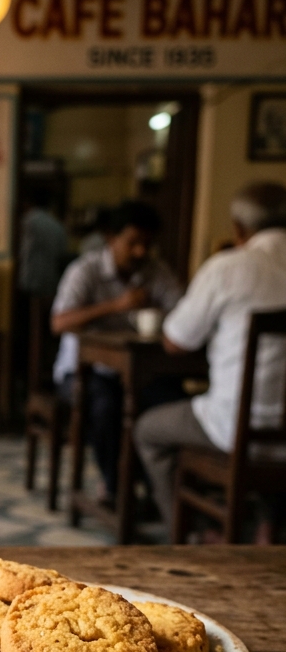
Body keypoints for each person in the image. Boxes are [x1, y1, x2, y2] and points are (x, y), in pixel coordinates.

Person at [134, 182, 286, 535]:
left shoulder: (229, 267)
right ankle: (267, 524)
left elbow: (175, 340)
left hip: (234, 429)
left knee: (147, 430)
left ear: (238, 228)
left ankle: (193, 533)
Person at [51, 200, 182, 505]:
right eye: (132, 243)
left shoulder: (155, 271)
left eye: (146, 245)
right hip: (81, 372)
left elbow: (183, 312)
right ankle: (115, 486)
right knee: (105, 405)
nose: (139, 252)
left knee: (169, 400)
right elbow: (59, 323)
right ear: (111, 238)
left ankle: (161, 490)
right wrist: (116, 306)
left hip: (137, 371)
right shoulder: (86, 270)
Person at [15, 185, 67, 395]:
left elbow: (21, 254)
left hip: (27, 289)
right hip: (50, 290)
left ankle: (26, 384)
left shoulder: (27, 223)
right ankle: (41, 383)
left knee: (25, 342)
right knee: (44, 344)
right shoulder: (57, 227)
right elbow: (61, 257)